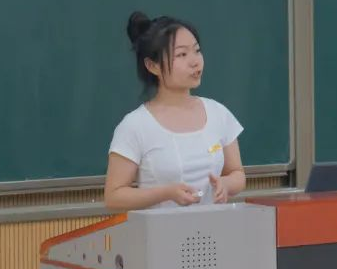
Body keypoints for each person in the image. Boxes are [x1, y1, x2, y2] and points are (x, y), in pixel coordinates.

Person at [103, 12, 246, 211]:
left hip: (215, 227)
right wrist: (166, 193)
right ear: (152, 66)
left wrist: (226, 184)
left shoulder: (218, 113)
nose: (195, 61)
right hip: (160, 230)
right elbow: (114, 197)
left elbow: (237, 174)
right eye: (182, 55)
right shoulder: (135, 125)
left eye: (197, 51)